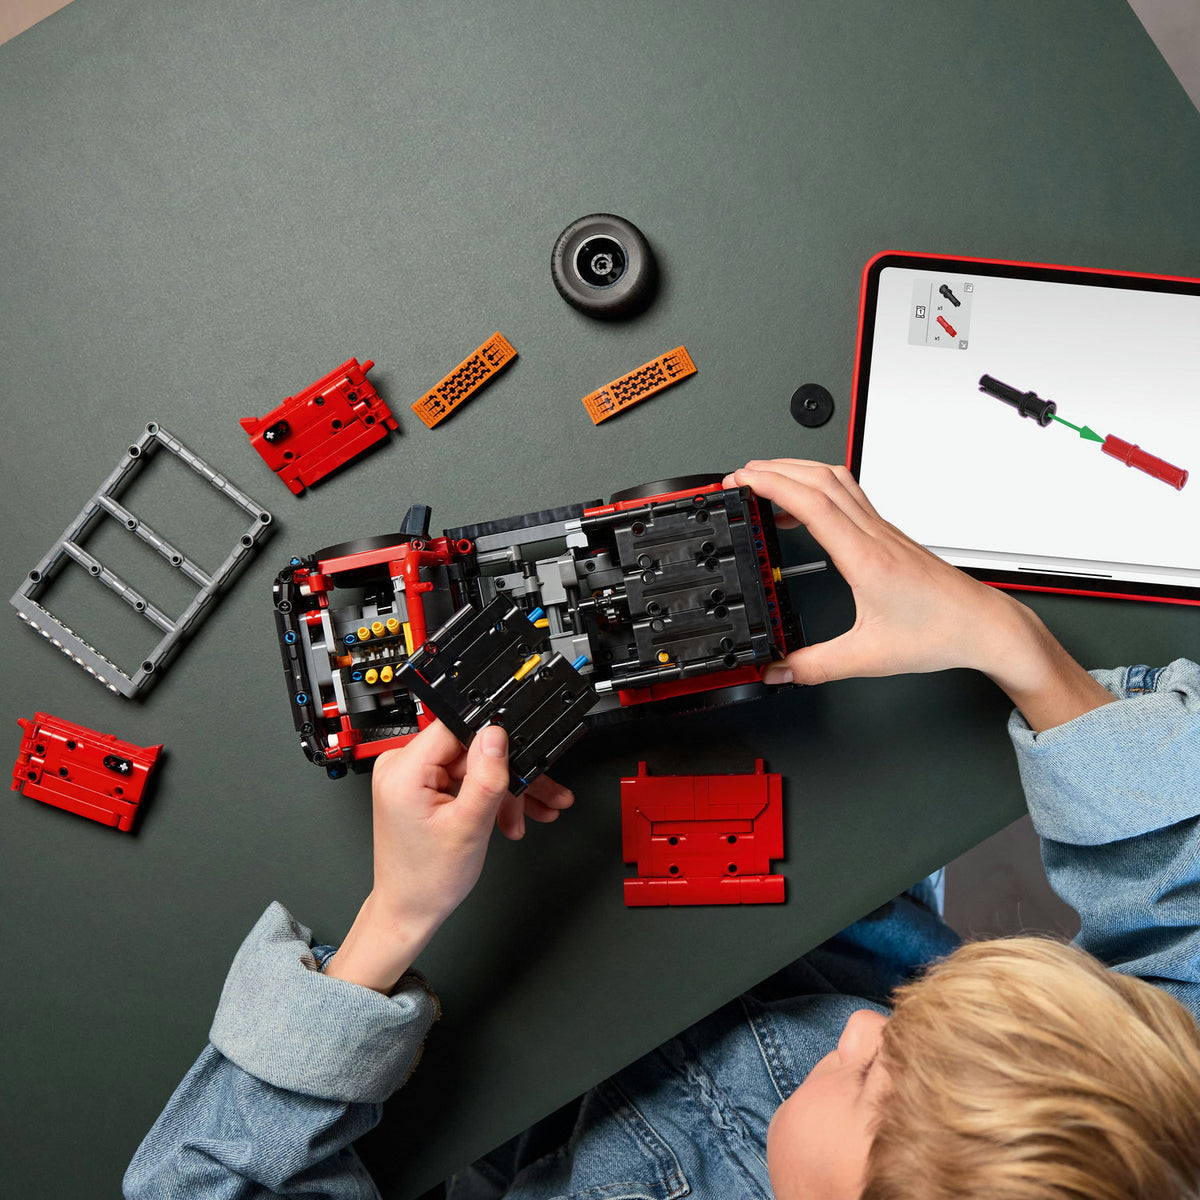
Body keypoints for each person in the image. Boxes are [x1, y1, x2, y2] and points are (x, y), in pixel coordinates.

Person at [124, 460, 1200, 1200]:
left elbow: (201, 1186)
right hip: (805, 906)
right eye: (916, 1030)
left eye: (874, 1088)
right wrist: (1016, 647)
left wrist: (390, 924)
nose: (864, 1033)